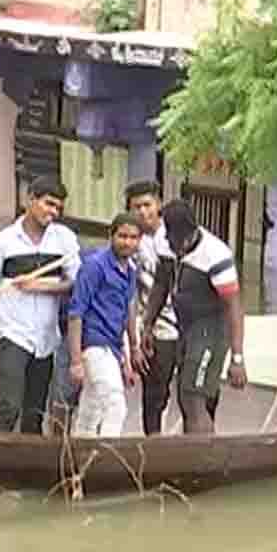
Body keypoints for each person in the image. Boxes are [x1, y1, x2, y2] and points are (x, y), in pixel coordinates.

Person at [0, 176, 81, 435]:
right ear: (30, 199)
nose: (52, 212)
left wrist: (41, 287)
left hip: (47, 338)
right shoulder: (3, 242)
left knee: (34, 414)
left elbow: (76, 282)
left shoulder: (64, 239)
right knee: (10, 405)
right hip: (13, 333)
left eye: (57, 207)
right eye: (48, 204)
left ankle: (26, 467)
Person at [141, 200, 247, 437]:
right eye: (173, 243)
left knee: (192, 396)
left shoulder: (216, 256)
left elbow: (234, 308)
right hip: (185, 327)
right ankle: (195, 452)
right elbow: (161, 283)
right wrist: (147, 324)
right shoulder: (164, 242)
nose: (178, 249)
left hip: (212, 330)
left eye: (183, 243)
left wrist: (237, 358)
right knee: (185, 395)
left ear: (194, 233)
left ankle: (202, 460)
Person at [65, 213, 142, 438]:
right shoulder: (95, 266)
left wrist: (128, 357)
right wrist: (76, 361)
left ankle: (78, 460)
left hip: (112, 347)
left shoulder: (130, 271)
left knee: (91, 409)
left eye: (133, 237)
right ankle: (108, 460)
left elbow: (127, 311)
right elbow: (76, 313)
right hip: (94, 344)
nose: (127, 242)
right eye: (122, 236)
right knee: (114, 404)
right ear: (111, 235)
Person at [125, 180, 180, 436]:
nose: (142, 212)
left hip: (183, 323)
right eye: (136, 207)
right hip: (155, 328)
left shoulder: (175, 236)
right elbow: (129, 292)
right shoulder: (130, 242)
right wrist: (135, 337)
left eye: (147, 205)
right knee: (154, 393)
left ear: (158, 205)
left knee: (188, 392)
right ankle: (154, 443)